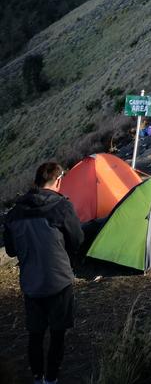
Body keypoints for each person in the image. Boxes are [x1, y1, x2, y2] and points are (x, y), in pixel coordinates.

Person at [4, 161, 84, 384]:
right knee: (57, 334)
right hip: (59, 280)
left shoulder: (14, 213)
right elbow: (77, 240)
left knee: (35, 334)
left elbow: (10, 250)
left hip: (31, 283)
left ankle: (38, 377)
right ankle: (52, 378)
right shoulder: (62, 207)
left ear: (36, 182)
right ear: (58, 181)